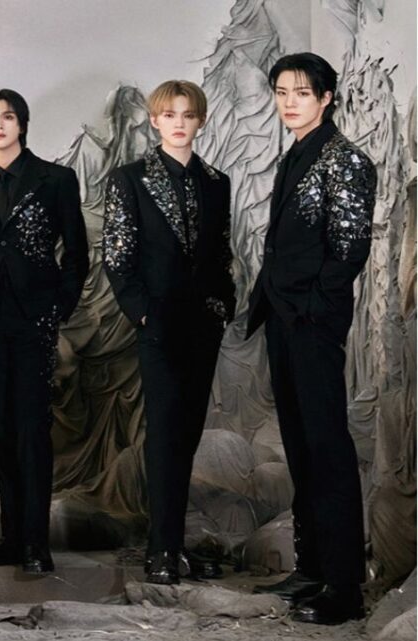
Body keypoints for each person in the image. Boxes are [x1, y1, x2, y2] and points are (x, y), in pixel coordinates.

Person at [247, 53, 375, 626]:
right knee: (300, 444)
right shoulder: (297, 153)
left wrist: (314, 310)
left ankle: (344, 588)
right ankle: (312, 567)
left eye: (301, 92)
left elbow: (349, 250)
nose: (289, 102)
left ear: (326, 98)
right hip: (282, 316)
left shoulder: (345, 160)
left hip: (313, 321)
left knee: (326, 447)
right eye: (281, 92)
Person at [0, 87, 89, 575]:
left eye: (8, 116)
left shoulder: (55, 179)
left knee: (31, 427)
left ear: (22, 124)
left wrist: (60, 304)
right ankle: (11, 539)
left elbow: (77, 253)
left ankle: (36, 544)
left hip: (34, 314)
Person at [101, 80, 234, 584]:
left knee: (188, 433)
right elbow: (118, 255)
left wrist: (223, 305)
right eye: (169, 115)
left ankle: (174, 545)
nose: (179, 123)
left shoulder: (217, 181)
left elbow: (221, 252)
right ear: (154, 121)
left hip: (204, 322)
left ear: (201, 121)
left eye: (188, 115)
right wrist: (142, 314)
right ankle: (161, 550)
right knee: (164, 433)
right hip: (157, 323)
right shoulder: (129, 179)